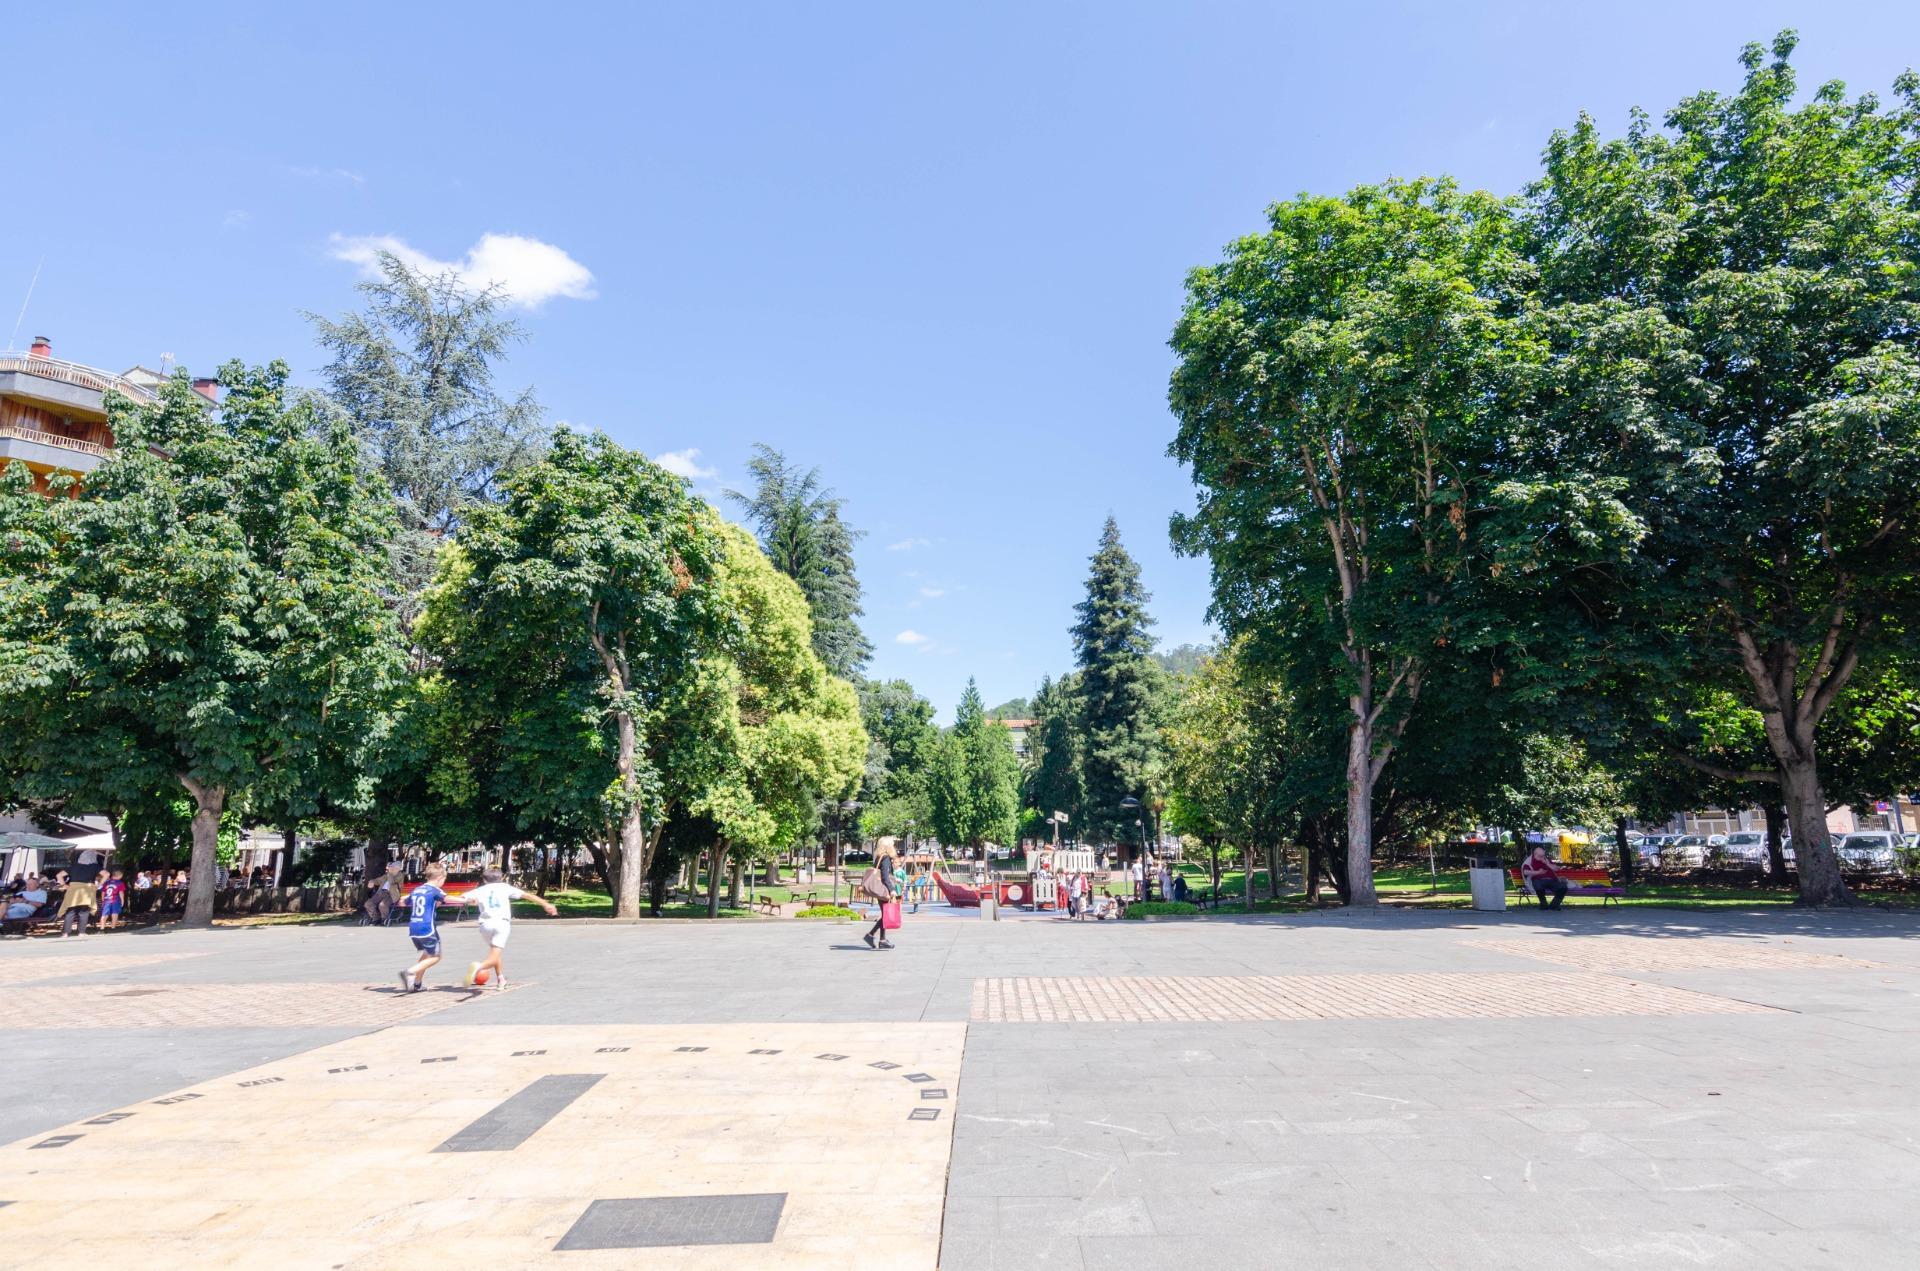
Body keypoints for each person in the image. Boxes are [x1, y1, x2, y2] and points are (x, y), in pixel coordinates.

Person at [463, 867, 557, 990]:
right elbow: (527, 895)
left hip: (485, 925)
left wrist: (470, 901)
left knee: (495, 951)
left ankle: (501, 979)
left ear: (484, 879)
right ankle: (479, 967)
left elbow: (462, 897)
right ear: (501, 878)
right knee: (493, 956)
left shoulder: (479, 890)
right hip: (501, 924)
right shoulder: (505, 887)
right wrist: (546, 904)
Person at [398, 864, 467, 992]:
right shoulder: (435, 890)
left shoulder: (417, 890)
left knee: (426, 954)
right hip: (427, 928)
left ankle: (417, 984)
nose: (443, 882)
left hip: (414, 927)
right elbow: (447, 898)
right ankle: (409, 972)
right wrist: (465, 900)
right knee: (435, 957)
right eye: (444, 880)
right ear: (439, 878)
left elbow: (403, 902)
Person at [859, 852, 896, 950]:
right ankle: (875, 937)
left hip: (879, 889)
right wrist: (892, 889)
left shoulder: (880, 856)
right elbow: (884, 876)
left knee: (885, 914)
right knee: (886, 915)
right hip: (884, 890)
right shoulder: (886, 857)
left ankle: (879, 939)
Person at [58, 874, 97, 938]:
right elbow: (106, 874)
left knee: (70, 913)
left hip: (73, 892)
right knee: (83, 913)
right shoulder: (92, 870)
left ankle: (65, 933)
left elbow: (59, 875)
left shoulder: (72, 870)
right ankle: (81, 932)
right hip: (86, 892)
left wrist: (64, 885)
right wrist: (99, 884)